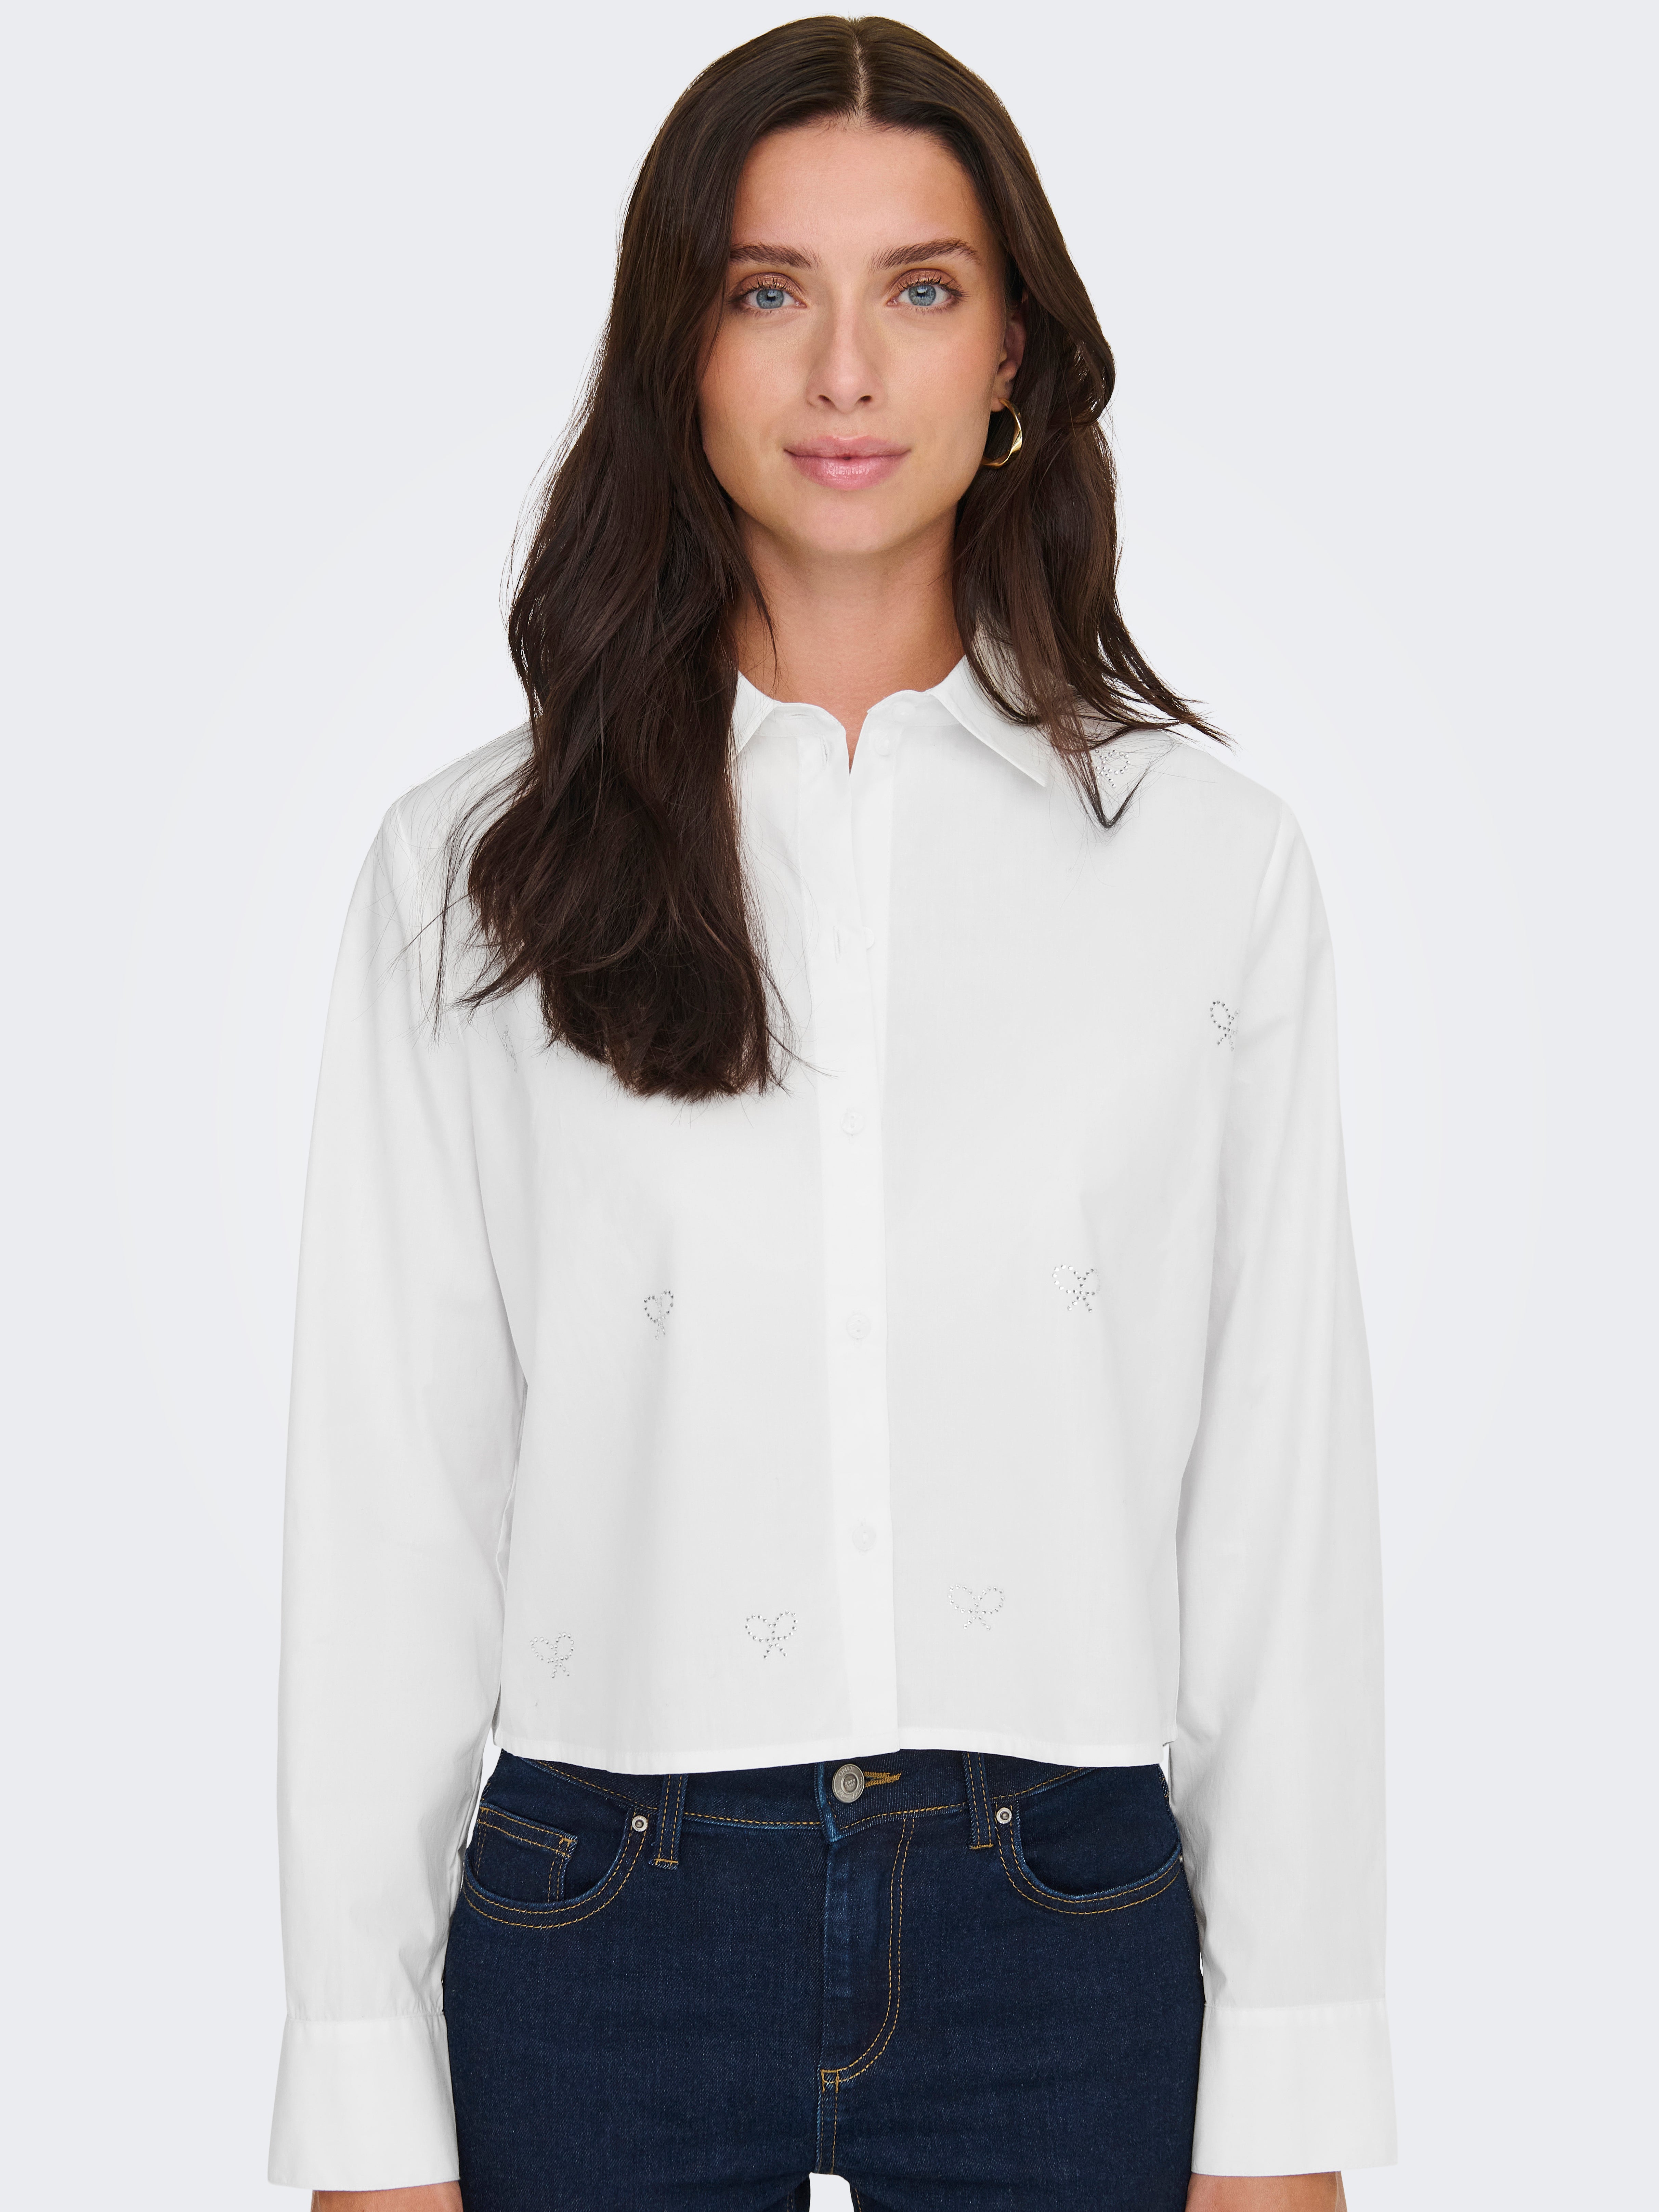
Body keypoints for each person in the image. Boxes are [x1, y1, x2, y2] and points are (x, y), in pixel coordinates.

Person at [269, 17, 1394, 2211]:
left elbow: (1276, 1500)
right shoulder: (469, 869)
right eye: (769, 289)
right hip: (597, 1913)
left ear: (1013, 355)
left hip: (1064, 1914)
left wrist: (1288, 2091)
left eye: (923, 287)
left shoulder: (1202, 864)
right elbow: (391, 1503)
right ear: (678, 349)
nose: (847, 370)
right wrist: (360, 2101)